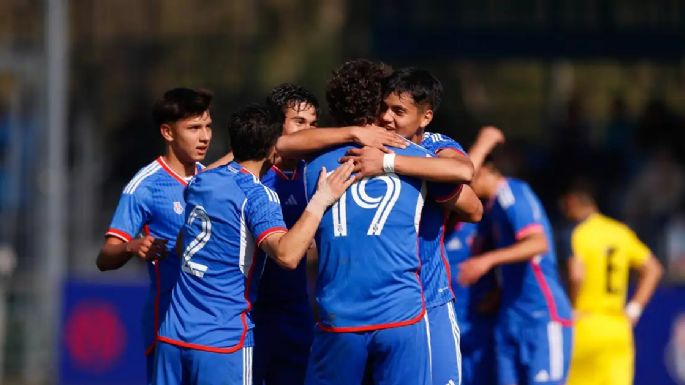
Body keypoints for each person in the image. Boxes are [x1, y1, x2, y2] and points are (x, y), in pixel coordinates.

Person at [154, 103, 354, 384]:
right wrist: (322, 199)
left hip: (172, 334)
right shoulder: (258, 194)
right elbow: (287, 255)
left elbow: (180, 246)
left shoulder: (202, 182)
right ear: (273, 147)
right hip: (222, 339)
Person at [96, 88, 213, 382]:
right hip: (169, 324)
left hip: (215, 324)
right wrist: (133, 246)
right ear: (167, 132)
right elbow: (105, 257)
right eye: (194, 128)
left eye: (208, 126)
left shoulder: (213, 178)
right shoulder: (146, 185)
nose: (205, 137)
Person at [459, 154, 573, 385]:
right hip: (510, 318)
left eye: (472, 174)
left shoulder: (513, 193)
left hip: (542, 315)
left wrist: (488, 260)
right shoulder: (490, 212)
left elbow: (538, 243)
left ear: (488, 170)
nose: (468, 182)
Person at [560, 182, 663, 385]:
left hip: (584, 324)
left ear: (572, 202)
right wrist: (634, 308)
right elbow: (653, 268)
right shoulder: (619, 232)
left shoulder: (575, 234)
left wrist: (571, 306)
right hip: (617, 326)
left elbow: (576, 275)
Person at [252, 83, 320, 385]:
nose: (308, 131)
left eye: (313, 124)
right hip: (252, 310)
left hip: (296, 308)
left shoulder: (316, 173)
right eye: (299, 122)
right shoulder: (255, 173)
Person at [445, 126, 505, 385]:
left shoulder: (489, 218)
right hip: (445, 321)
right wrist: (484, 142)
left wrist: (499, 292)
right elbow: (461, 178)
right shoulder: (441, 219)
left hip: (479, 321)